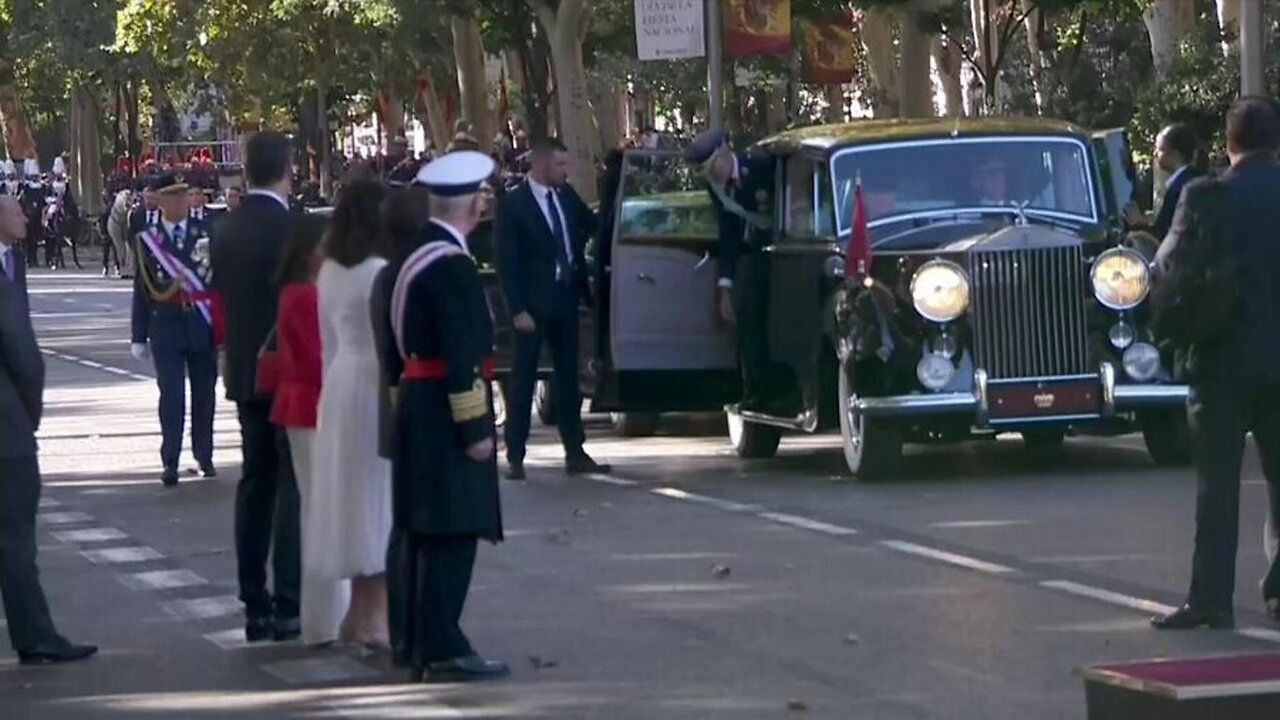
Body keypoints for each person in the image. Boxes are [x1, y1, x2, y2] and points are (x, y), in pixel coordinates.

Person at [1150, 97, 1280, 630]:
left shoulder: (1204, 197)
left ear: (1228, 145)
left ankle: (1211, 600)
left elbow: (1171, 272)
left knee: (1218, 488)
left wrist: (1168, 338)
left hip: (1221, 361)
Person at [377, 151, 507, 682]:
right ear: (474, 207)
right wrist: (476, 428)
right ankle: (443, 644)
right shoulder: (450, 267)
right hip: (446, 410)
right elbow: (462, 356)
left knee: (417, 532)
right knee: (451, 532)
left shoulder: (404, 259)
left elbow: (390, 351)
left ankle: (411, 640)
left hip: (414, 404)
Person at [209, 131, 302, 643]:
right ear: (287, 170)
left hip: (246, 372)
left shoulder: (226, 228)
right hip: (289, 372)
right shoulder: (292, 229)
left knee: (255, 482)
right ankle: (289, 599)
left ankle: (253, 600)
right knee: (291, 486)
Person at [0, 196, 97, 666]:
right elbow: (24, 357)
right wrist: (28, 416)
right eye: (12, 210)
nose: (23, 216)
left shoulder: (12, 265)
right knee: (15, 540)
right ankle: (35, 635)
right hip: (5, 431)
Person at [494, 137, 610, 481]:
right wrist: (517, 309)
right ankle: (515, 454)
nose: (565, 171)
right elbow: (506, 261)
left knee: (569, 379)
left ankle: (575, 451)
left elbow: (594, 227)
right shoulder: (514, 205)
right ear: (542, 164)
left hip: (565, 298)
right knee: (524, 379)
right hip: (531, 305)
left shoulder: (566, 196)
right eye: (560, 165)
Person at [310, 180, 393, 649]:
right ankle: (374, 617)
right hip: (372, 382)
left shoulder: (328, 273)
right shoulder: (379, 270)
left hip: (340, 382)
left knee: (350, 499)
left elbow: (328, 346)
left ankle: (359, 613)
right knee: (376, 498)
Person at [270, 213, 349, 647]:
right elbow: (316, 357)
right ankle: (324, 616)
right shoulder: (302, 295)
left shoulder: (305, 292)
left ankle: (327, 614)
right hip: (310, 405)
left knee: (321, 509)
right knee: (322, 510)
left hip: (306, 404)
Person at [371, 184, 431, 664]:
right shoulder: (415, 274)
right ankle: (416, 634)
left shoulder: (386, 274)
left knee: (401, 528)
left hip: (398, 402)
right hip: (418, 405)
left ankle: (405, 634)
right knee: (418, 528)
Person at [128, 173, 218, 486]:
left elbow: (218, 283)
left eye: (184, 195)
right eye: (174, 196)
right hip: (165, 324)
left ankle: (204, 455)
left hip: (200, 323)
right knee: (172, 395)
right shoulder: (148, 240)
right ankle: (171, 459)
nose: (180, 201)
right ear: (162, 201)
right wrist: (138, 335)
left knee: (205, 394)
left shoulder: (205, 233)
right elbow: (142, 289)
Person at [684, 130, 777, 413]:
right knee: (747, 315)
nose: (711, 177)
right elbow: (729, 233)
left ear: (724, 155)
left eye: (712, 168)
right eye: (705, 173)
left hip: (786, 247)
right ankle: (757, 390)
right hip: (755, 252)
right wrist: (725, 287)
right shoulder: (716, 187)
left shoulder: (761, 165)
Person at [1127, 123, 1203, 240]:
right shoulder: (1197, 177)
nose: (1155, 154)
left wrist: (1138, 223)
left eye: (1160, 149)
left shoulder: (1178, 188)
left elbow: (1164, 233)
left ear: (1175, 155)